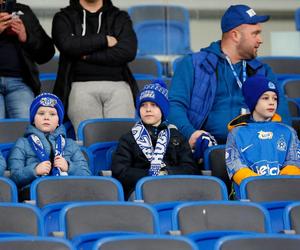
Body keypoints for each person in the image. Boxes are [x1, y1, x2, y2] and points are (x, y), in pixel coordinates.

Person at [168, 4, 290, 158]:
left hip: (256, 151)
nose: (260, 40)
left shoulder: (263, 71)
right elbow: (174, 105)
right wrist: (190, 133)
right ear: (235, 35)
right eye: (255, 33)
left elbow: (283, 115)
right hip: (206, 151)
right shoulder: (194, 64)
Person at [52, 0, 138, 133]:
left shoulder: (119, 17)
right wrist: (104, 40)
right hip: (79, 85)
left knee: (122, 141)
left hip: (118, 85)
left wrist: (87, 55)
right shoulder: (63, 17)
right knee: (89, 139)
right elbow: (67, 45)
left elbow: (128, 50)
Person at [112, 79, 197, 200]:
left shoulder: (177, 136)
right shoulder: (128, 138)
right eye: (143, 105)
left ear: (163, 110)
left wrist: (166, 173)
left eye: (154, 105)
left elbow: (191, 169)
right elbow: (120, 171)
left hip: (176, 189)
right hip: (141, 191)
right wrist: (150, 174)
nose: (148, 109)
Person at [8, 93, 91, 194]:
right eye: (41, 113)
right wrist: (34, 170)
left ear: (58, 121)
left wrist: (69, 167)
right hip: (35, 193)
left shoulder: (71, 144)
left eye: (52, 114)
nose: (46, 117)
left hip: (68, 191)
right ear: (33, 119)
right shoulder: (22, 143)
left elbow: (87, 176)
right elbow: (13, 178)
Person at [226, 75, 300, 187]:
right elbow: (235, 166)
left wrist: (282, 184)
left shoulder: (288, 132)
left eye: (275, 98)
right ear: (252, 101)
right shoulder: (237, 133)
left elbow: (294, 162)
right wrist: (258, 186)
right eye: (265, 98)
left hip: (284, 189)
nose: (272, 102)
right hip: (252, 193)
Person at [0, 0, 55, 118]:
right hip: (19, 84)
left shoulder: (24, 12)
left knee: (27, 129)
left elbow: (47, 53)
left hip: (20, 82)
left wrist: (26, 37)